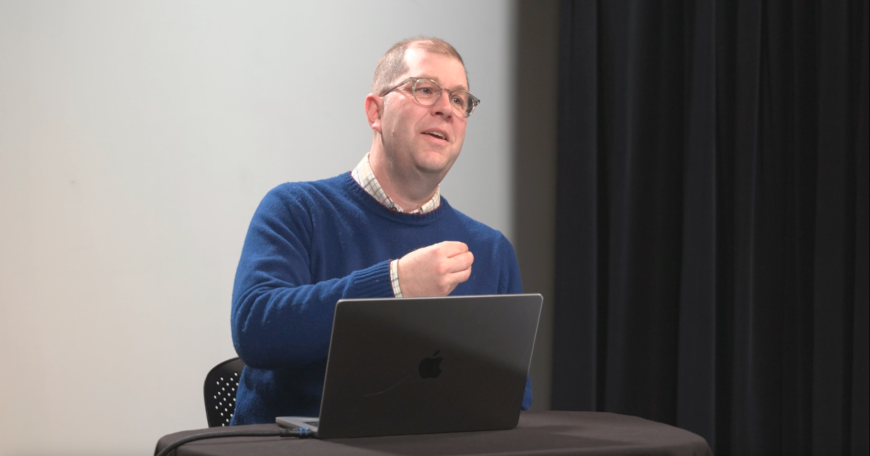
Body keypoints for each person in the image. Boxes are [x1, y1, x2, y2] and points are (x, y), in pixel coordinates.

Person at [230, 37, 531, 425]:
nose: (446, 108)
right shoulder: (295, 209)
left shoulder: (491, 250)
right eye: (425, 90)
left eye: (459, 100)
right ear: (376, 111)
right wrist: (395, 284)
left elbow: (511, 399)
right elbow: (257, 331)